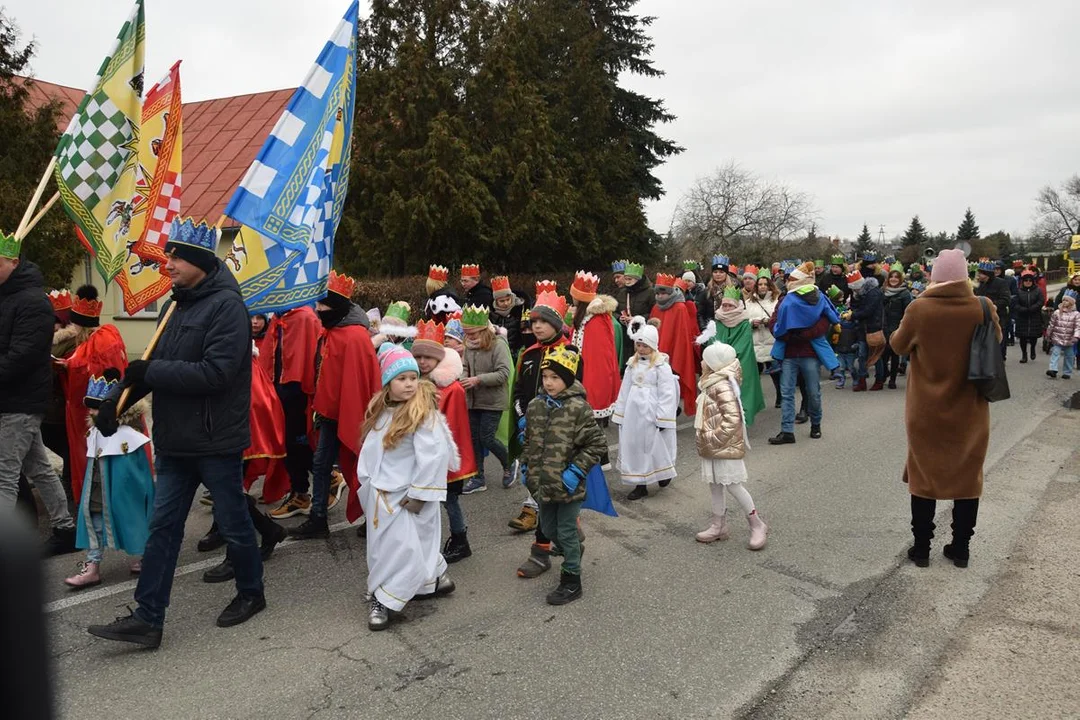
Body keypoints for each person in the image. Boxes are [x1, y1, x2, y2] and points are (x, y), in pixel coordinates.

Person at [87, 218, 264, 648]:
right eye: (168, 255)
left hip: (214, 438)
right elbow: (151, 365)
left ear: (201, 262)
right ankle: (148, 619)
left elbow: (217, 374)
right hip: (175, 439)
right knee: (163, 528)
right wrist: (118, 406)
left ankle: (251, 593)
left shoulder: (228, 307)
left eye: (176, 257)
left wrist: (153, 371)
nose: (167, 264)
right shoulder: (174, 306)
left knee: (236, 524)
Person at [889, 249, 998, 568]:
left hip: (926, 411)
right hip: (971, 409)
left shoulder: (919, 308)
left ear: (935, 276)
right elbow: (998, 341)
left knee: (924, 476)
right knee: (967, 478)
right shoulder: (982, 306)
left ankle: (921, 548)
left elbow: (897, 345)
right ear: (965, 276)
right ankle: (960, 548)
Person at [361, 343, 459, 630]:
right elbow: (373, 449)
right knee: (400, 547)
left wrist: (419, 495)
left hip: (408, 495)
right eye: (401, 379)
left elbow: (435, 455)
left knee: (400, 550)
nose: (409, 384)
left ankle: (385, 597)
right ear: (388, 383)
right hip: (384, 493)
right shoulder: (384, 411)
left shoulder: (422, 414)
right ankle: (434, 579)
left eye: (413, 378)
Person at [0, 232, 78, 554]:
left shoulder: (33, 301)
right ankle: (66, 530)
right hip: (10, 399)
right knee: (39, 469)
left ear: (13, 262)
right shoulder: (6, 297)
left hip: (20, 401)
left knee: (3, 474)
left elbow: (23, 356)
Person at [290, 270, 382, 539]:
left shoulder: (354, 336)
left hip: (352, 412)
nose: (318, 309)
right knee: (320, 465)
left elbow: (359, 381)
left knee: (362, 465)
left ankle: (372, 516)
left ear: (337, 306)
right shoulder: (329, 330)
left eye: (323, 304)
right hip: (329, 412)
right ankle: (318, 517)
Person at [521, 344, 607, 605]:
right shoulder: (536, 406)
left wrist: (575, 472)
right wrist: (526, 468)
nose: (548, 383)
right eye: (546, 377)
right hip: (542, 484)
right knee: (547, 528)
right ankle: (574, 550)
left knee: (566, 530)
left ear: (568, 379)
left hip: (568, 486)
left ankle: (571, 581)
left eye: (555, 378)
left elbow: (597, 445)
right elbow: (529, 441)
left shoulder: (578, 408)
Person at [64, 370, 154, 589]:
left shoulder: (129, 436)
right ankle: (92, 567)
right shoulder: (95, 431)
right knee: (94, 523)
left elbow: (137, 475)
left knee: (131, 518)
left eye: (97, 407)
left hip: (121, 491)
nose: (92, 412)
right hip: (97, 488)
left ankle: (140, 557)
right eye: (91, 407)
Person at [510, 291, 578, 579]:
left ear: (556, 323)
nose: (536, 326)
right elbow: (518, 390)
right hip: (532, 434)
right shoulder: (529, 354)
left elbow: (578, 396)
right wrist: (521, 415)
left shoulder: (571, 353)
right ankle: (562, 537)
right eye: (533, 321)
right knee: (537, 491)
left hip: (559, 438)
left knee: (552, 495)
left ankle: (543, 550)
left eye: (543, 321)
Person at [412, 320, 477, 563]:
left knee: (449, 500)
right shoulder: (418, 383)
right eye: (418, 356)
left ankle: (461, 540)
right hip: (425, 453)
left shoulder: (452, 389)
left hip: (444, 457)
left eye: (428, 357)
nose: (423, 362)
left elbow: (452, 428)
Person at [59, 285, 129, 510]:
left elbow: (92, 373)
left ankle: (100, 504)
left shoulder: (100, 341)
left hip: (96, 413)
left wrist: (69, 366)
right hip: (91, 412)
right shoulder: (96, 340)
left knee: (97, 457)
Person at [693, 343, 768, 550]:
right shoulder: (711, 382)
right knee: (715, 484)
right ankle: (719, 525)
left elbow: (732, 419)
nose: (701, 362)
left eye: (705, 359)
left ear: (714, 364)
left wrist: (714, 439)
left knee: (733, 484)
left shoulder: (721, 385)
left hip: (723, 446)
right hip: (713, 445)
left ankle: (757, 524)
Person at [767, 262, 839, 444]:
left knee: (813, 391)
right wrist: (786, 333)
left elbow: (824, 324)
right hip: (790, 353)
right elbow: (774, 321)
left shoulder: (819, 298)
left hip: (809, 353)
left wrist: (801, 334)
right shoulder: (785, 299)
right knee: (787, 392)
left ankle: (816, 424)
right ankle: (787, 431)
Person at [263, 304, 321, 518]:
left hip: (297, 391)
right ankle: (303, 490)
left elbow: (311, 355)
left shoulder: (305, 317)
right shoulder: (279, 316)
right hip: (278, 389)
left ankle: (303, 492)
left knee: (297, 443)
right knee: (287, 444)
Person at [613, 317, 678, 500]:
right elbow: (625, 389)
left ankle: (662, 473)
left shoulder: (661, 367)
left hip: (651, 413)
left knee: (653, 446)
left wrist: (664, 417)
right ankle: (640, 484)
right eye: (638, 345)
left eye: (645, 346)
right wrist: (621, 412)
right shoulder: (631, 364)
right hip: (634, 414)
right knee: (634, 446)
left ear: (653, 346)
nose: (641, 349)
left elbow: (667, 393)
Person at [458, 305, 513, 494]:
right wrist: (462, 377)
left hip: (492, 401)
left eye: (472, 333)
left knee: (487, 438)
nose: (469, 337)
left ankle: (509, 463)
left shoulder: (498, 344)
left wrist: (478, 380)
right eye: (466, 333)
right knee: (474, 440)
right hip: (473, 400)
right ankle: (478, 478)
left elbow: (503, 373)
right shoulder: (468, 346)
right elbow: (464, 366)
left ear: (483, 329)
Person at [697, 286, 765, 427]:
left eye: (730, 305)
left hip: (739, 362)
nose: (726, 308)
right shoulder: (718, 321)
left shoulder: (744, 323)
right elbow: (713, 342)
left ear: (736, 306)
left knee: (740, 390)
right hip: (718, 364)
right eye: (724, 305)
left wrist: (726, 359)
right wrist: (714, 358)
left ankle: (741, 420)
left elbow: (743, 345)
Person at [569, 271, 621, 423]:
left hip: (590, 376)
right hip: (578, 373)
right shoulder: (583, 316)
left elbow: (599, 359)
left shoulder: (597, 320)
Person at [649, 273, 697, 416]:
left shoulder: (680, 308)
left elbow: (682, 335)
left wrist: (678, 355)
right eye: (657, 293)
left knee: (670, 384)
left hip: (674, 352)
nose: (660, 296)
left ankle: (671, 410)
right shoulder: (656, 308)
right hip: (657, 351)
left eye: (663, 292)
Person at [846, 269, 885, 392]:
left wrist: (853, 315)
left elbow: (868, 311)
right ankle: (862, 381)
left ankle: (879, 380)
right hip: (862, 328)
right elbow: (855, 306)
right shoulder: (858, 294)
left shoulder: (873, 293)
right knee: (862, 355)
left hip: (874, 327)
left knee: (876, 356)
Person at [746, 271, 781, 407]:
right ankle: (754, 399)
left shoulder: (776, 301)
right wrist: (751, 323)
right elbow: (744, 319)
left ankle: (780, 396)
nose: (762, 287)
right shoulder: (749, 302)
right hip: (755, 342)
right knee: (753, 376)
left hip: (771, 341)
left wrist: (770, 322)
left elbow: (780, 318)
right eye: (760, 284)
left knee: (776, 373)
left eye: (765, 284)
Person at [615, 263, 656, 365]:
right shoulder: (622, 293)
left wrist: (637, 319)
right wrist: (619, 318)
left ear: (638, 279)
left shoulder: (650, 292)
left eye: (630, 279)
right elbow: (614, 311)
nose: (627, 282)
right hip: (625, 333)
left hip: (642, 333)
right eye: (626, 279)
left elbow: (654, 313)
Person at [974, 261, 1011, 361]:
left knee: (997, 341)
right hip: (981, 318)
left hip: (997, 317)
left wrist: (992, 306)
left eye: (981, 273)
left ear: (987, 274)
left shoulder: (1001, 283)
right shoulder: (977, 285)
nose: (979, 275)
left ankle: (998, 360)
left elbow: (1006, 299)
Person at [881, 270, 912, 389]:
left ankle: (892, 379)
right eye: (891, 277)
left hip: (896, 327)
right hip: (883, 326)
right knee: (883, 354)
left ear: (900, 279)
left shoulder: (904, 293)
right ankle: (884, 373)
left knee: (894, 354)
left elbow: (908, 311)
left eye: (896, 277)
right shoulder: (882, 291)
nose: (893, 279)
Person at [829, 287, 858, 390]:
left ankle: (855, 379)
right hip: (840, 350)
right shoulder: (837, 327)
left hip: (850, 350)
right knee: (841, 367)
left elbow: (857, 337)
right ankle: (841, 381)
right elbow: (832, 336)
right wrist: (833, 343)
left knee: (851, 367)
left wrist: (856, 345)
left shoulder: (854, 327)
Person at [696, 255, 736, 330]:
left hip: (730, 329)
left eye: (721, 272)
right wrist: (705, 329)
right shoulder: (706, 292)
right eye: (715, 272)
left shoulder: (734, 290)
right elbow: (700, 314)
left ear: (726, 274)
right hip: (711, 330)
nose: (718, 274)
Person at [1014, 270, 1045, 364]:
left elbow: (1041, 301)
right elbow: (1015, 303)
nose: (1028, 282)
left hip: (1034, 316)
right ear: (1023, 281)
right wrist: (1022, 309)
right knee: (1022, 337)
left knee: (1033, 336)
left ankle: (1032, 349)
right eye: (1026, 280)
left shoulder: (1037, 290)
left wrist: (1033, 308)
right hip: (1022, 317)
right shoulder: (1018, 291)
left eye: (1030, 280)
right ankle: (1024, 354)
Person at [1045, 295, 1079, 379]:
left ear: (1071, 303)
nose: (1065, 302)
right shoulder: (1057, 312)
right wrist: (1048, 334)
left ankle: (1067, 372)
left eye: (1067, 301)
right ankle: (1053, 369)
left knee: (1069, 356)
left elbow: (1078, 326)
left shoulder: (1076, 314)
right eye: (1064, 300)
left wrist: (1076, 336)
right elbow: (1052, 324)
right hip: (1057, 337)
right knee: (1055, 353)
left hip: (1069, 340)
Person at [489, 276, 524, 357]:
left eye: (508, 299)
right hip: (497, 353)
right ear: (496, 301)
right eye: (502, 301)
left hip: (515, 353)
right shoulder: (491, 314)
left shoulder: (519, 312)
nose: (506, 303)